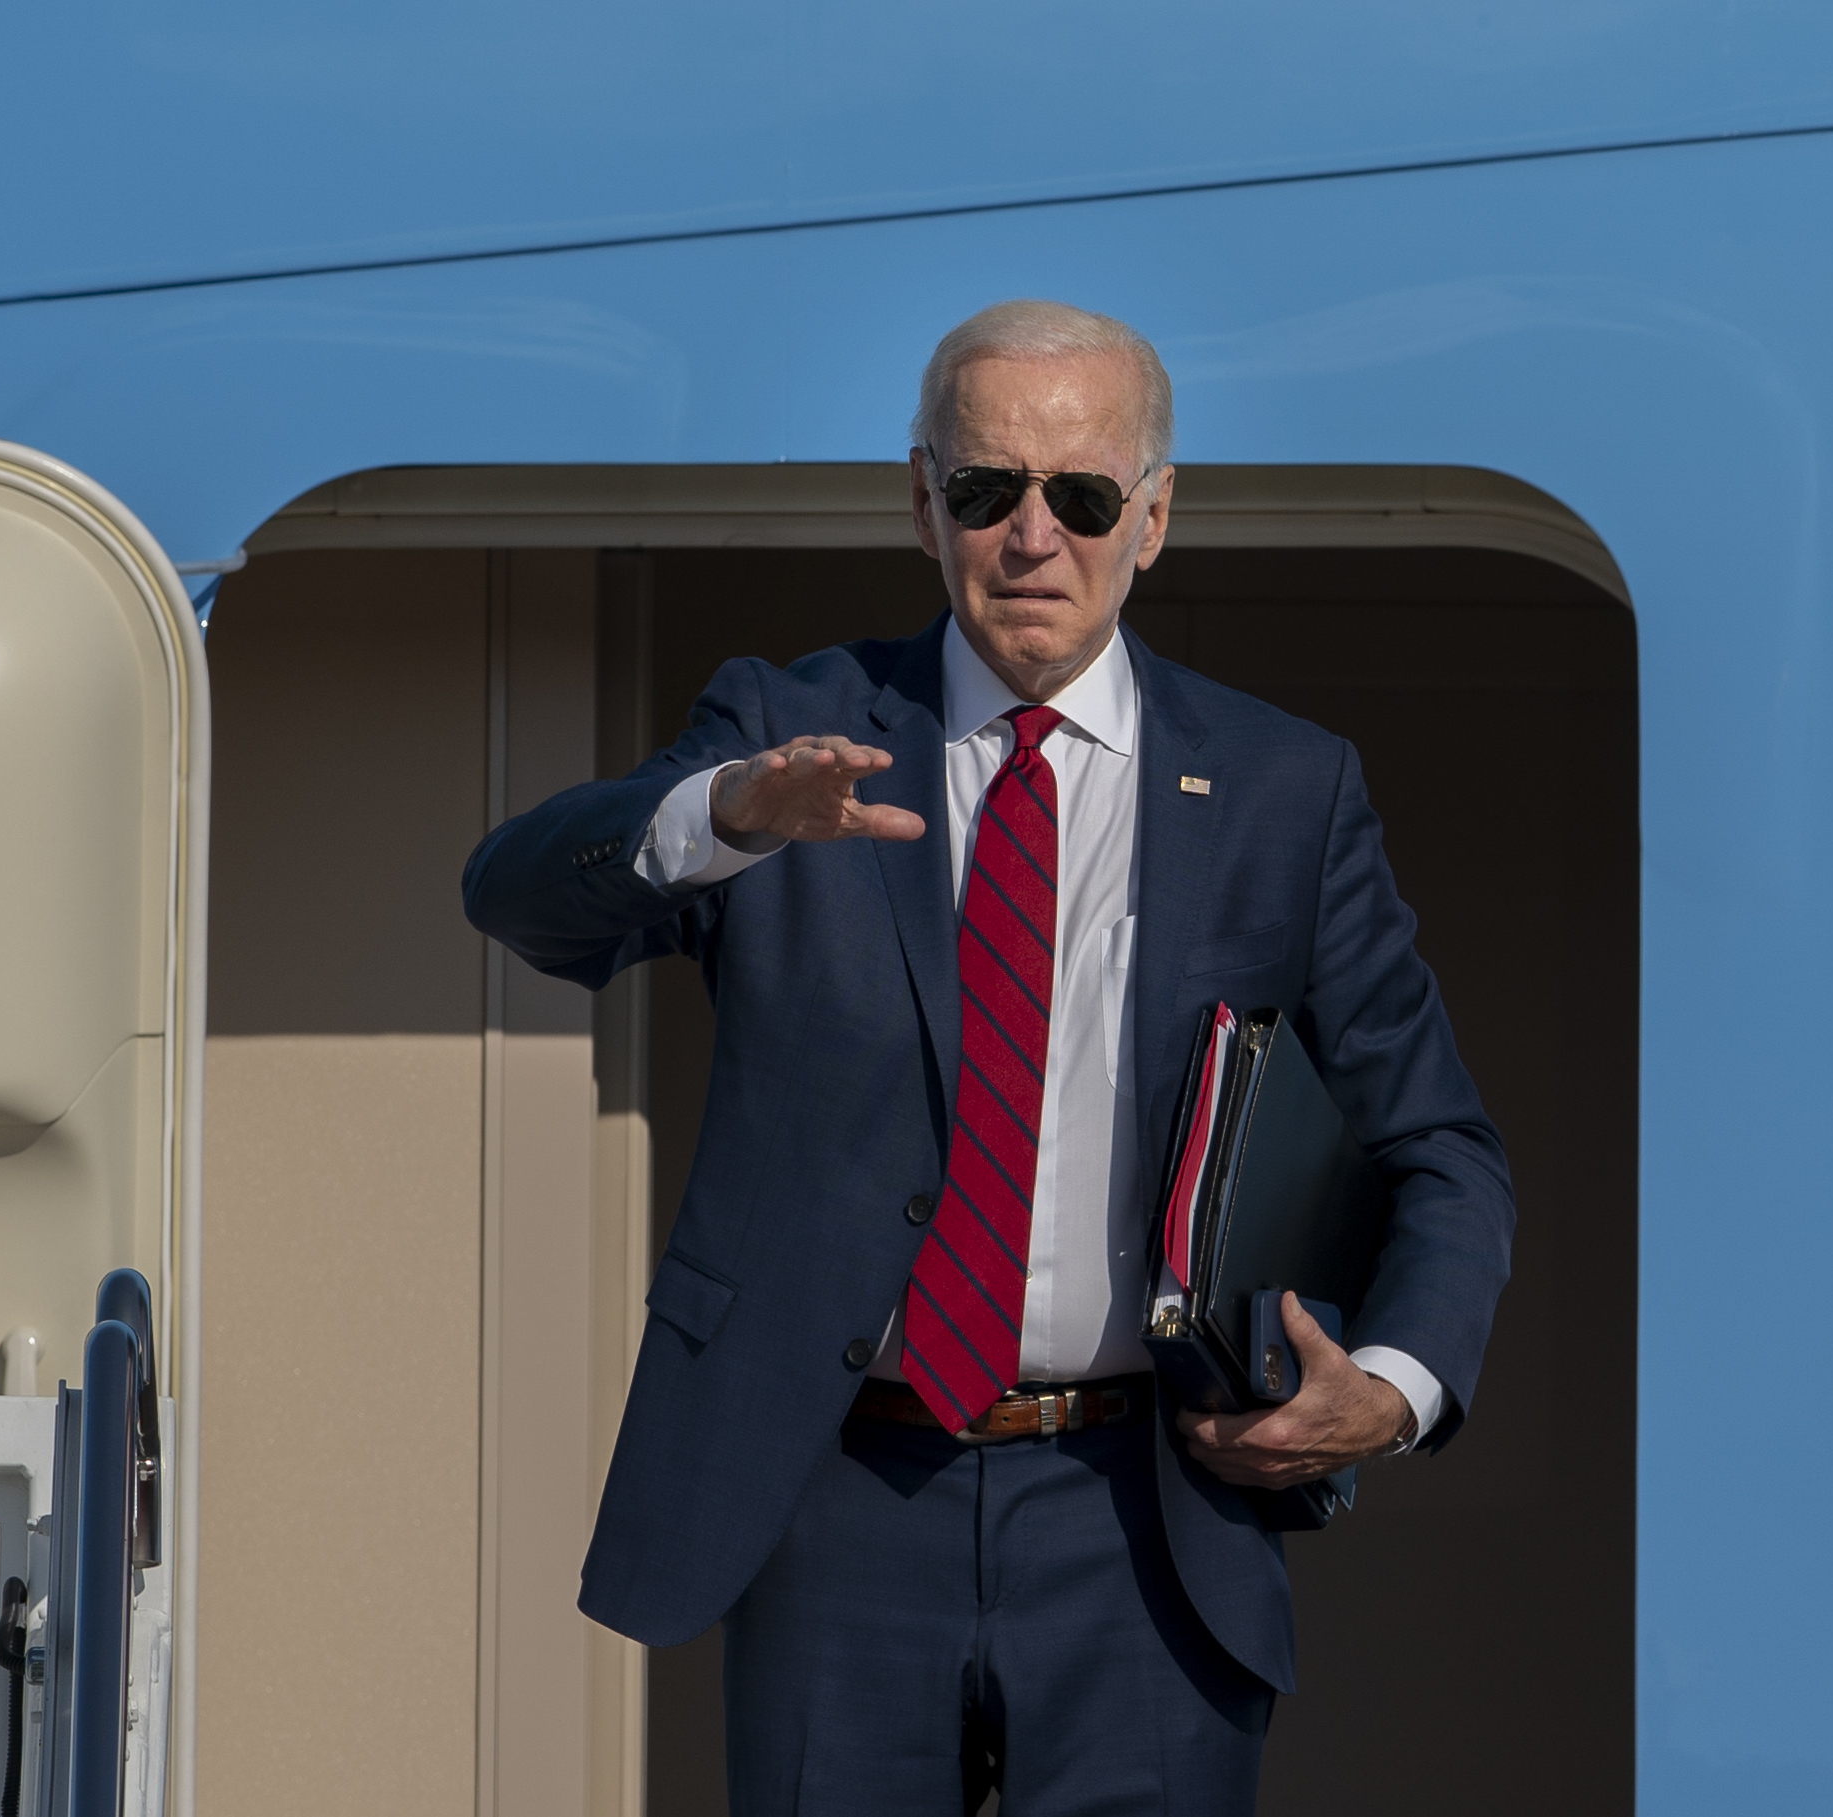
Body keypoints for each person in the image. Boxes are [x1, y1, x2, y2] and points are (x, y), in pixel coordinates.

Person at [459, 299, 1514, 1814]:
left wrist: (1395, 1385)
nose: (1033, 534)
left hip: (1146, 1507)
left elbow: (1443, 1153)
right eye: (985, 489)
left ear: (1151, 520)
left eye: (1080, 496)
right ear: (919, 500)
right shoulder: (790, 732)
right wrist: (723, 819)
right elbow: (513, 892)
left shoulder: (1285, 789)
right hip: (833, 1493)